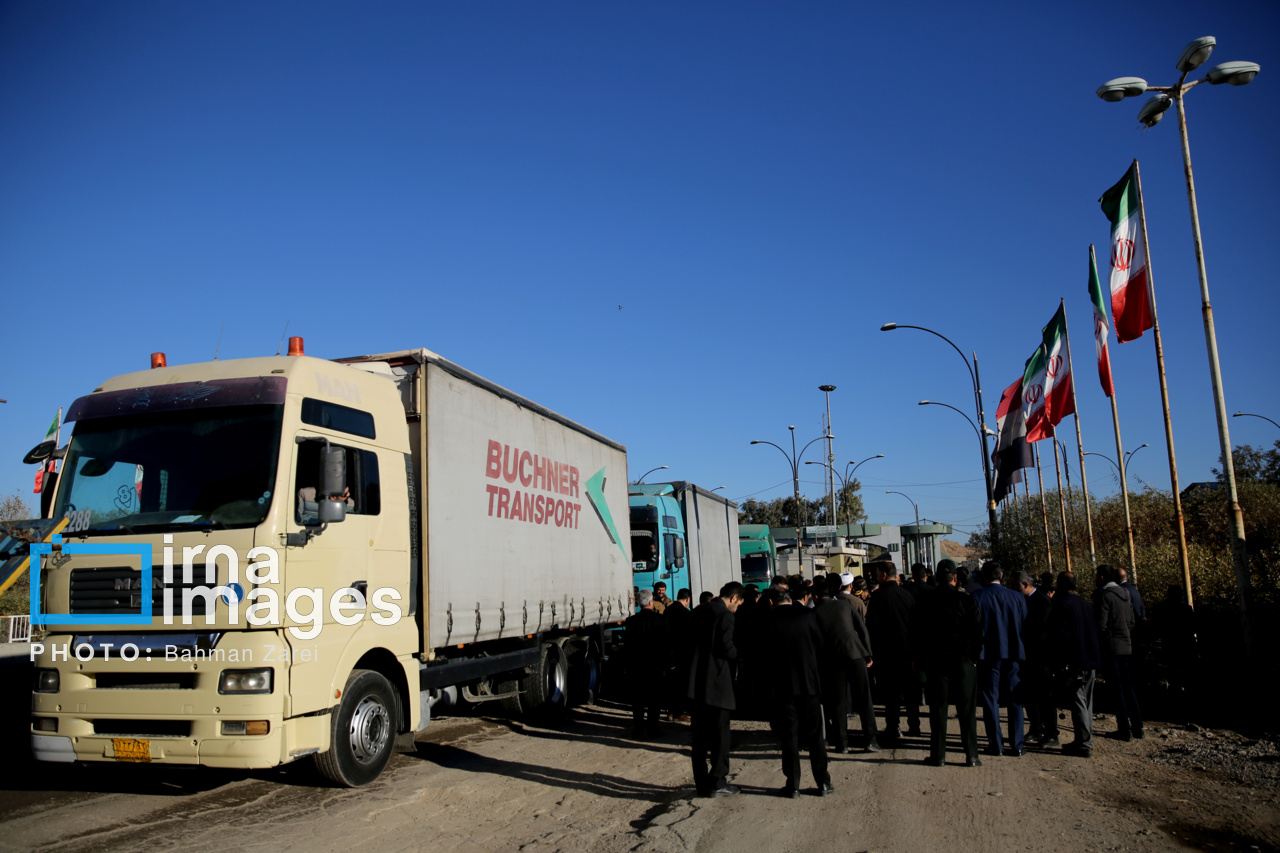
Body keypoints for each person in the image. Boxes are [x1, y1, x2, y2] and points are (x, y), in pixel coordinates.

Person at [911, 562, 983, 766]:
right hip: (963, 661)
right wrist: (974, 659)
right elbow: (977, 632)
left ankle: (938, 755)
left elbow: (917, 633)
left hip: (936, 662)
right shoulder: (966, 600)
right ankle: (972, 755)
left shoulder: (925, 601)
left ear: (936, 577)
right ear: (955, 577)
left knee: (938, 709)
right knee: (967, 710)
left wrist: (918, 659)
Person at [764, 588, 833, 797]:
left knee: (789, 737)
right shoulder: (809, 616)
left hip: (783, 687)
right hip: (809, 684)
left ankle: (793, 784)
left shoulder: (769, 621)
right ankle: (822, 781)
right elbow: (822, 647)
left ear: (771, 602)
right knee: (815, 735)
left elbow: (764, 656)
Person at [688, 581, 745, 798]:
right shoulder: (725, 615)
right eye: (738, 604)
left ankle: (701, 783)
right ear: (733, 598)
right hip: (717, 684)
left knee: (700, 737)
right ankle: (718, 780)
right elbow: (726, 647)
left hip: (696, 682)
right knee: (721, 735)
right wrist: (739, 654)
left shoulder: (699, 610)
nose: (737, 608)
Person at [815, 571, 878, 753]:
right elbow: (861, 628)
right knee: (864, 698)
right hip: (855, 653)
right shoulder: (846, 604)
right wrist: (868, 653)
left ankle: (842, 743)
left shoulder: (815, 612)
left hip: (832, 659)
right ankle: (871, 740)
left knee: (838, 701)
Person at [971, 560, 1028, 756]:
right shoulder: (1017, 598)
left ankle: (996, 743)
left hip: (989, 654)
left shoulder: (977, 597)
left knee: (990, 699)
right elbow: (1024, 625)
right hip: (1013, 654)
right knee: (1015, 699)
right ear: (1001, 575)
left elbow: (974, 628)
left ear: (984, 576)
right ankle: (1017, 744)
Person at [866, 556, 920, 744]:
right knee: (911, 691)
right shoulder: (907, 595)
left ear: (882, 575)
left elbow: (871, 626)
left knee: (891, 693)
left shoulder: (878, 597)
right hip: (907, 651)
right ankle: (915, 725)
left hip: (886, 654)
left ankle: (893, 726)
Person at [1048, 572, 1101, 757]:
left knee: (1077, 701)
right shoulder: (1086, 605)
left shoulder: (1060, 605)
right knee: (1087, 703)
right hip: (1090, 660)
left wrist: (1060, 663)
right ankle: (1084, 738)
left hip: (1074, 663)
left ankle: (1084, 743)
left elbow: (1062, 637)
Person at [1095, 564, 1143, 740]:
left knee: (1117, 690)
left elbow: (1101, 624)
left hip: (1112, 648)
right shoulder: (1126, 594)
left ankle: (1124, 729)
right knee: (1128, 687)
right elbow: (1131, 621)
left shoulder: (1104, 596)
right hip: (1126, 645)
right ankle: (1138, 726)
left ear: (1101, 578)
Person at [624, 589, 673, 737]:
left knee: (638, 700)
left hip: (637, 666)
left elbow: (627, 646)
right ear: (651, 602)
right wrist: (669, 663)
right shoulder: (661, 620)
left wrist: (627, 666)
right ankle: (653, 728)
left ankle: (638, 728)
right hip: (655, 665)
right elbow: (667, 644)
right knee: (654, 699)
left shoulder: (631, 621)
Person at [1017, 570, 1056, 748]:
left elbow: (1043, 631)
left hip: (1040, 657)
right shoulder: (1025, 600)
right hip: (1028, 657)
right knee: (1030, 695)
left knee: (1045, 696)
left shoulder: (1041, 602)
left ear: (1025, 584)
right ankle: (1036, 727)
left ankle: (1051, 732)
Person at [665, 588, 694, 722]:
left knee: (670, 685)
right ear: (687, 599)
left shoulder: (667, 610)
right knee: (681, 686)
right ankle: (678, 712)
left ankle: (670, 711)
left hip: (668, 653)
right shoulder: (686, 614)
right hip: (681, 655)